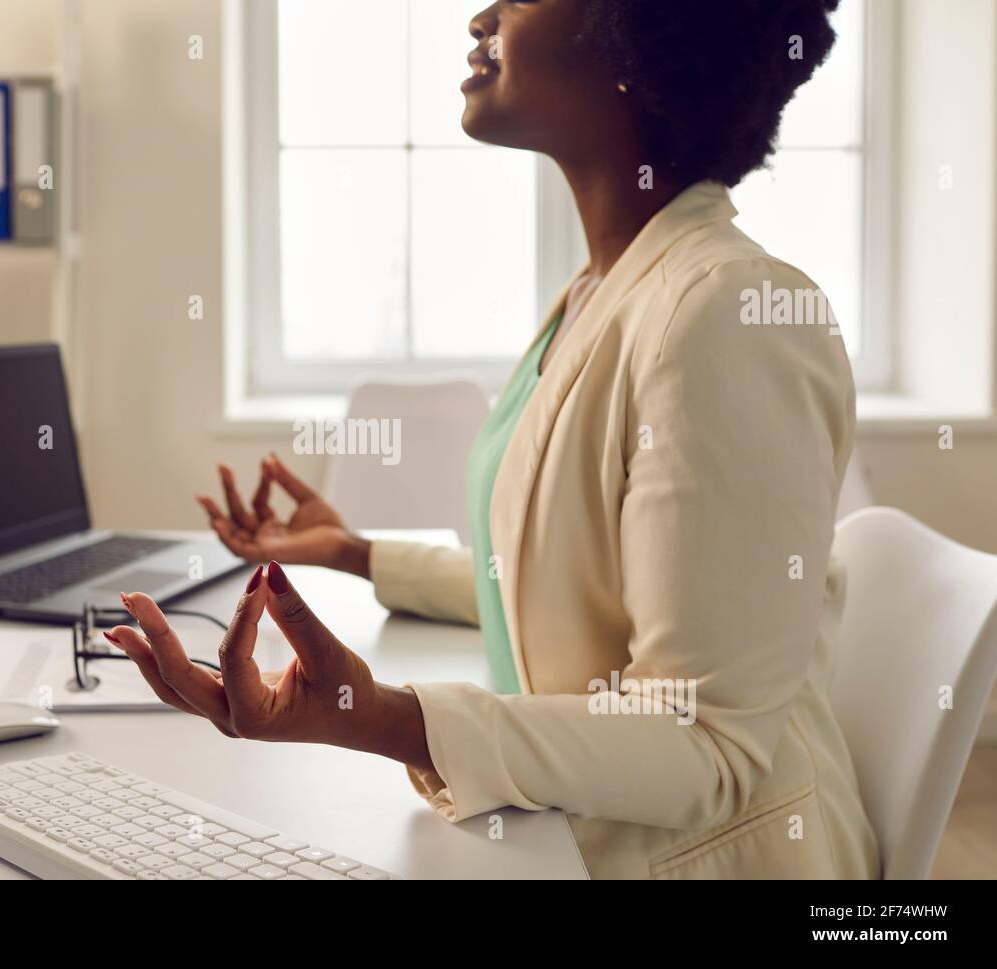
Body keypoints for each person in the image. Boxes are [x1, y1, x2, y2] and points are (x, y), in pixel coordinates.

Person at [107, 0, 879, 878]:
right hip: (573, 833)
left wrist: (374, 714)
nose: (482, 16)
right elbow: (571, 591)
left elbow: (701, 737)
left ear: (640, 37)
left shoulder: (729, 311)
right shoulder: (599, 292)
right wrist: (355, 552)